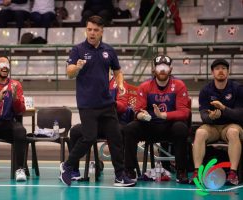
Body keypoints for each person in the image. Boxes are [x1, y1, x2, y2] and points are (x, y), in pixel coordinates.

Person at [60, 15, 136, 187]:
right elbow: (69, 72)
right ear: (86, 30)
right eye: (89, 29)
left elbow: (117, 71)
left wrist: (121, 83)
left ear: (102, 31)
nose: (92, 33)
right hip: (87, 105)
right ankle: (67, 166)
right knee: (89, 138)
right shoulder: (78, 50)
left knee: (116, 138)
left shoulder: (108, 50)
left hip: (107, 104)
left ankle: (119, 176)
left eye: (96, 30)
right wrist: (77, 67)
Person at [123, 55, 191, 183]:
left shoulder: (179, 85)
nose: (162, 70)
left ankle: (181, 171)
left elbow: (184, 113)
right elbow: (138, 111)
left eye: (165, 67)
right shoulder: (145, 86)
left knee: (181, 128)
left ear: (170, 69)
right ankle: (129, 170)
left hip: (170, 127)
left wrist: (164, 115)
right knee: (130, 129)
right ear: (154, 69)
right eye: (159, 67)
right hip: (150, 126)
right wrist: (140, 115)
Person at [69, 77, 134, 181]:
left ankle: (121, 172)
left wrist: (110, 103)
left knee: (119, 131)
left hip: (114, 122)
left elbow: (123, 106)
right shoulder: (93, 83)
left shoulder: (120, 83)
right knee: (75, 131)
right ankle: (73, 170)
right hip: (95, 123)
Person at [191, 59, 243, 185]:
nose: (221, 71)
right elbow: (204, 115)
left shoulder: (237, 89)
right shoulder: (206, 90)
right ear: (212, 72)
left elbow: (240, 114)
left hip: (231, 125)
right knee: (200, 133)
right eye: (217, 68)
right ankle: (197, 172)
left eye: (224, 68)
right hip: (212, 127)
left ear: (228, 72)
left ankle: (233, 173)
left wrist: (223, 109)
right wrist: (211, 117)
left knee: (233, 132)